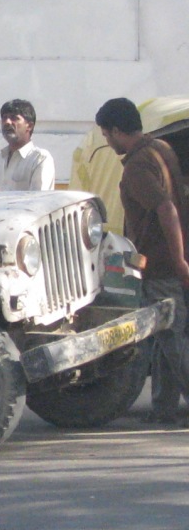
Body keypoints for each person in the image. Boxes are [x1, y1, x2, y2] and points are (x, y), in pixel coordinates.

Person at [95, 97, 189, 426]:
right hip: (165, 262)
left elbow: (166, 209)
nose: (107, 142)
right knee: (164, 337)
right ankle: (164, 409)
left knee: (172, 338)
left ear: (118, 131)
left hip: (161, 264)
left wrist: (178, 261)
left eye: (107, 136)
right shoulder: (161, 148)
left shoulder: (137, 166)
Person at [0, 99, 56, 191]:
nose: (7, 122)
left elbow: (39, 201)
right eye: (4, 118)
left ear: (29, 126)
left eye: (14, 118)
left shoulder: (39, 158)